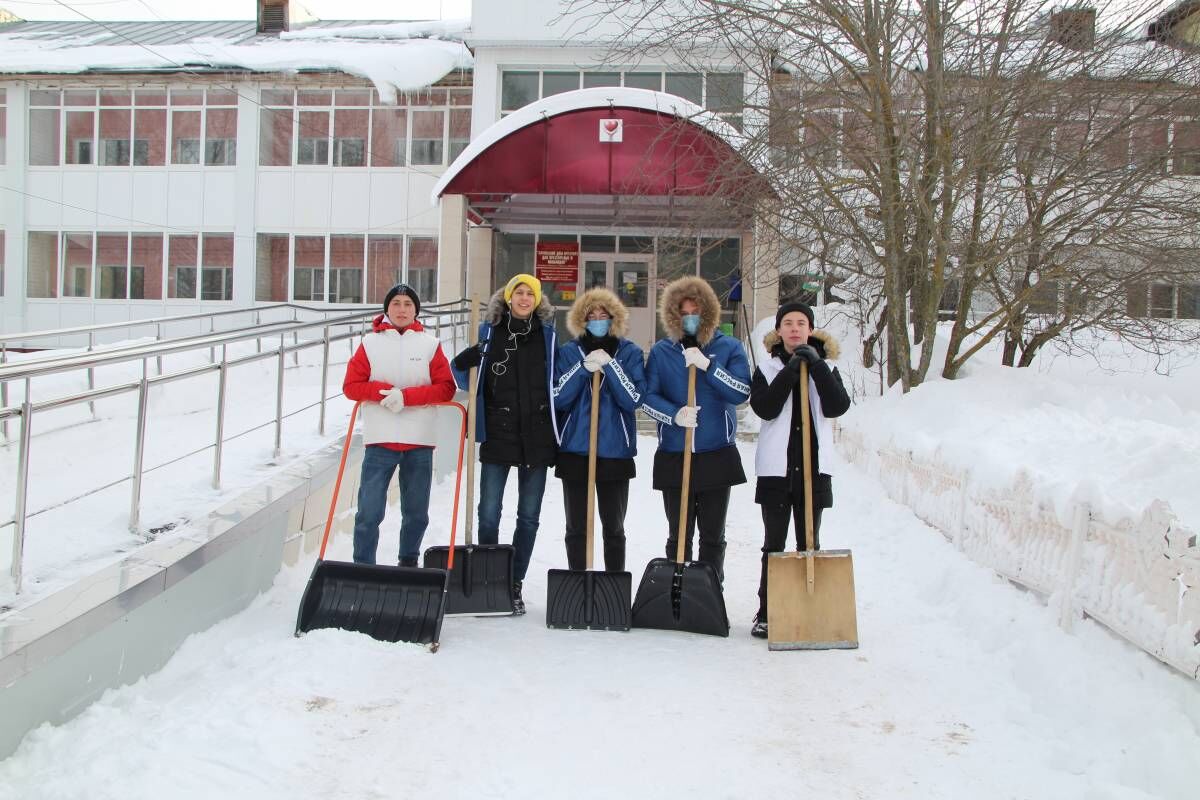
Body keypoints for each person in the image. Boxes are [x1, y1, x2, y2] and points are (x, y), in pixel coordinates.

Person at [451, 274, 559, 614]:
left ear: (539, 301)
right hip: (498, 431)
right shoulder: (488, 334)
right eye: (519, 293)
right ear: (509, 298)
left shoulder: (550, 338)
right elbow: (462, 377)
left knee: (528, 517)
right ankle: (487, 578)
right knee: (488, 512)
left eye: (531, 294)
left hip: (537, 435)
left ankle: (513, 582)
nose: (525, 299)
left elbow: (558, 382)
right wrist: (461, 363)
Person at [748, 301, 851, 638]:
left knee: (810, 541)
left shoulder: (827, 368)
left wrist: (816, 366)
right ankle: (767, 611)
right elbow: (766, 408)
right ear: (779, 330)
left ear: (811, 329)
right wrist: (792, 369)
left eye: (801, 323)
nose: (794, 328)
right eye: (788, 323)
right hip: (777, 471)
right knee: (773, 545)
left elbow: (837, 406)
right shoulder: (766, 370)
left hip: (814, 470)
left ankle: (809, 608)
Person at [641, 276, 751, 583]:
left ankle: (710, 590)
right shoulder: (663, 352)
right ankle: (677, 589)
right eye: (684, 312)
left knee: (713, 535)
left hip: (716, 452)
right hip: (676, 453)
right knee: (678, 533)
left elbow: (741, 392)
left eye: (696, 311)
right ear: (674, 315)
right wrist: (674, 415)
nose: (690, 317)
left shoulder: (729, 347)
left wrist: (709, 367)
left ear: (708, 312)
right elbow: (647, 397)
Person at [342, 283, 456, 566]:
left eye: (407, 304)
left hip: (419, 440)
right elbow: (351, 386)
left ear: (416, 310)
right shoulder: (370, 344)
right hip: (380, 440)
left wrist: (405, 397)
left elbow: (445, 389)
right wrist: (382, 393)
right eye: (396, 303)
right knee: (368, 512)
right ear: (387, 309)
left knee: (416, 513)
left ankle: (408, 562)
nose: (402, 309)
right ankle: (363, 566)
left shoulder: (430, 345)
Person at [552, 287, 646, 572]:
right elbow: (558, 397)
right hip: (576, 450)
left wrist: (611, 366)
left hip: (615, 451)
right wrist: (583, 368)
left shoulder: (629, 352)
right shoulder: (569, 352)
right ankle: (578, 582)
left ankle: (612, 583)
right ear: (582, 320)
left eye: (603, 315)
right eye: (591, 315)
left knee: (614, 527)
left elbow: (633, 399)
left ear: (613, 318)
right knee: (576, 527)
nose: (597, 319)